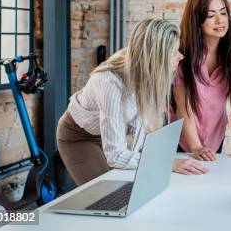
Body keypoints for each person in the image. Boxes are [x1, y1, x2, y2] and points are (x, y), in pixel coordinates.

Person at [57, 18, 208, 186]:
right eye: (174, 52)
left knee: (132, 185)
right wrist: (167, 163)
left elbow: (141, 129)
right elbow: (116, 156)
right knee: (105, 196)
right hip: (79, 136)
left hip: (110, 135)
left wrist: (160, 160)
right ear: (155, 56)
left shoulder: (149, 73)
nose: (181, 56)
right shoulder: (110, 82)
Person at [170, 0, 231, 161]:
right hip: (180, 135)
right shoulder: (181, 51)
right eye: (211, 16)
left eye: (223, 13)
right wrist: (195, 146)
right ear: (197, 20)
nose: (220, 20)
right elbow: (183, 106)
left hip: (214, 134)